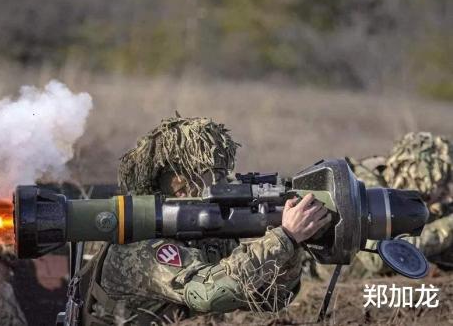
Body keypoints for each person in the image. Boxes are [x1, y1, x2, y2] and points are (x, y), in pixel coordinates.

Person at [74, 117, 332, 325]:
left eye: (219, 173)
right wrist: (284, 237)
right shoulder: (141, 247)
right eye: (204, 174)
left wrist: (292, 245)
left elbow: (270, 298)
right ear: (177, 185)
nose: (217, 182)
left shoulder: (201, 235)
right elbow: (208, 293)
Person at [351, 132, 453, 274]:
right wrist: (447, 228)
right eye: (442, 186)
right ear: (420, 179)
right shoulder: (362, 190)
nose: (446, 196)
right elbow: (378, 257)